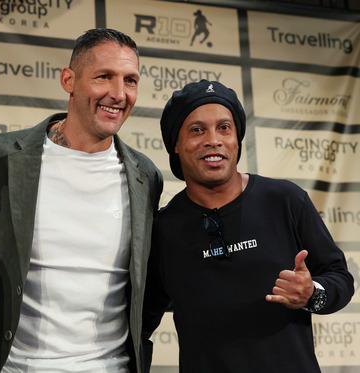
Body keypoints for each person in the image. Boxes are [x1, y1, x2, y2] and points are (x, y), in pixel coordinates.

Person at [0, 28, 163, 372]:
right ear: (68, 80)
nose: (119, 94)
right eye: (104, 77)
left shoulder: (145, 175)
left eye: (130, 80)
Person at [142, 79, 354, 372]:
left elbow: (340, 278)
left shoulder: (286, 200)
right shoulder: (164, 229)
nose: (213, 140)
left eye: (224, 127)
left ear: (237, 139)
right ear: (175, 144)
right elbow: (140, 322)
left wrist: (312, 293)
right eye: (197, 130)